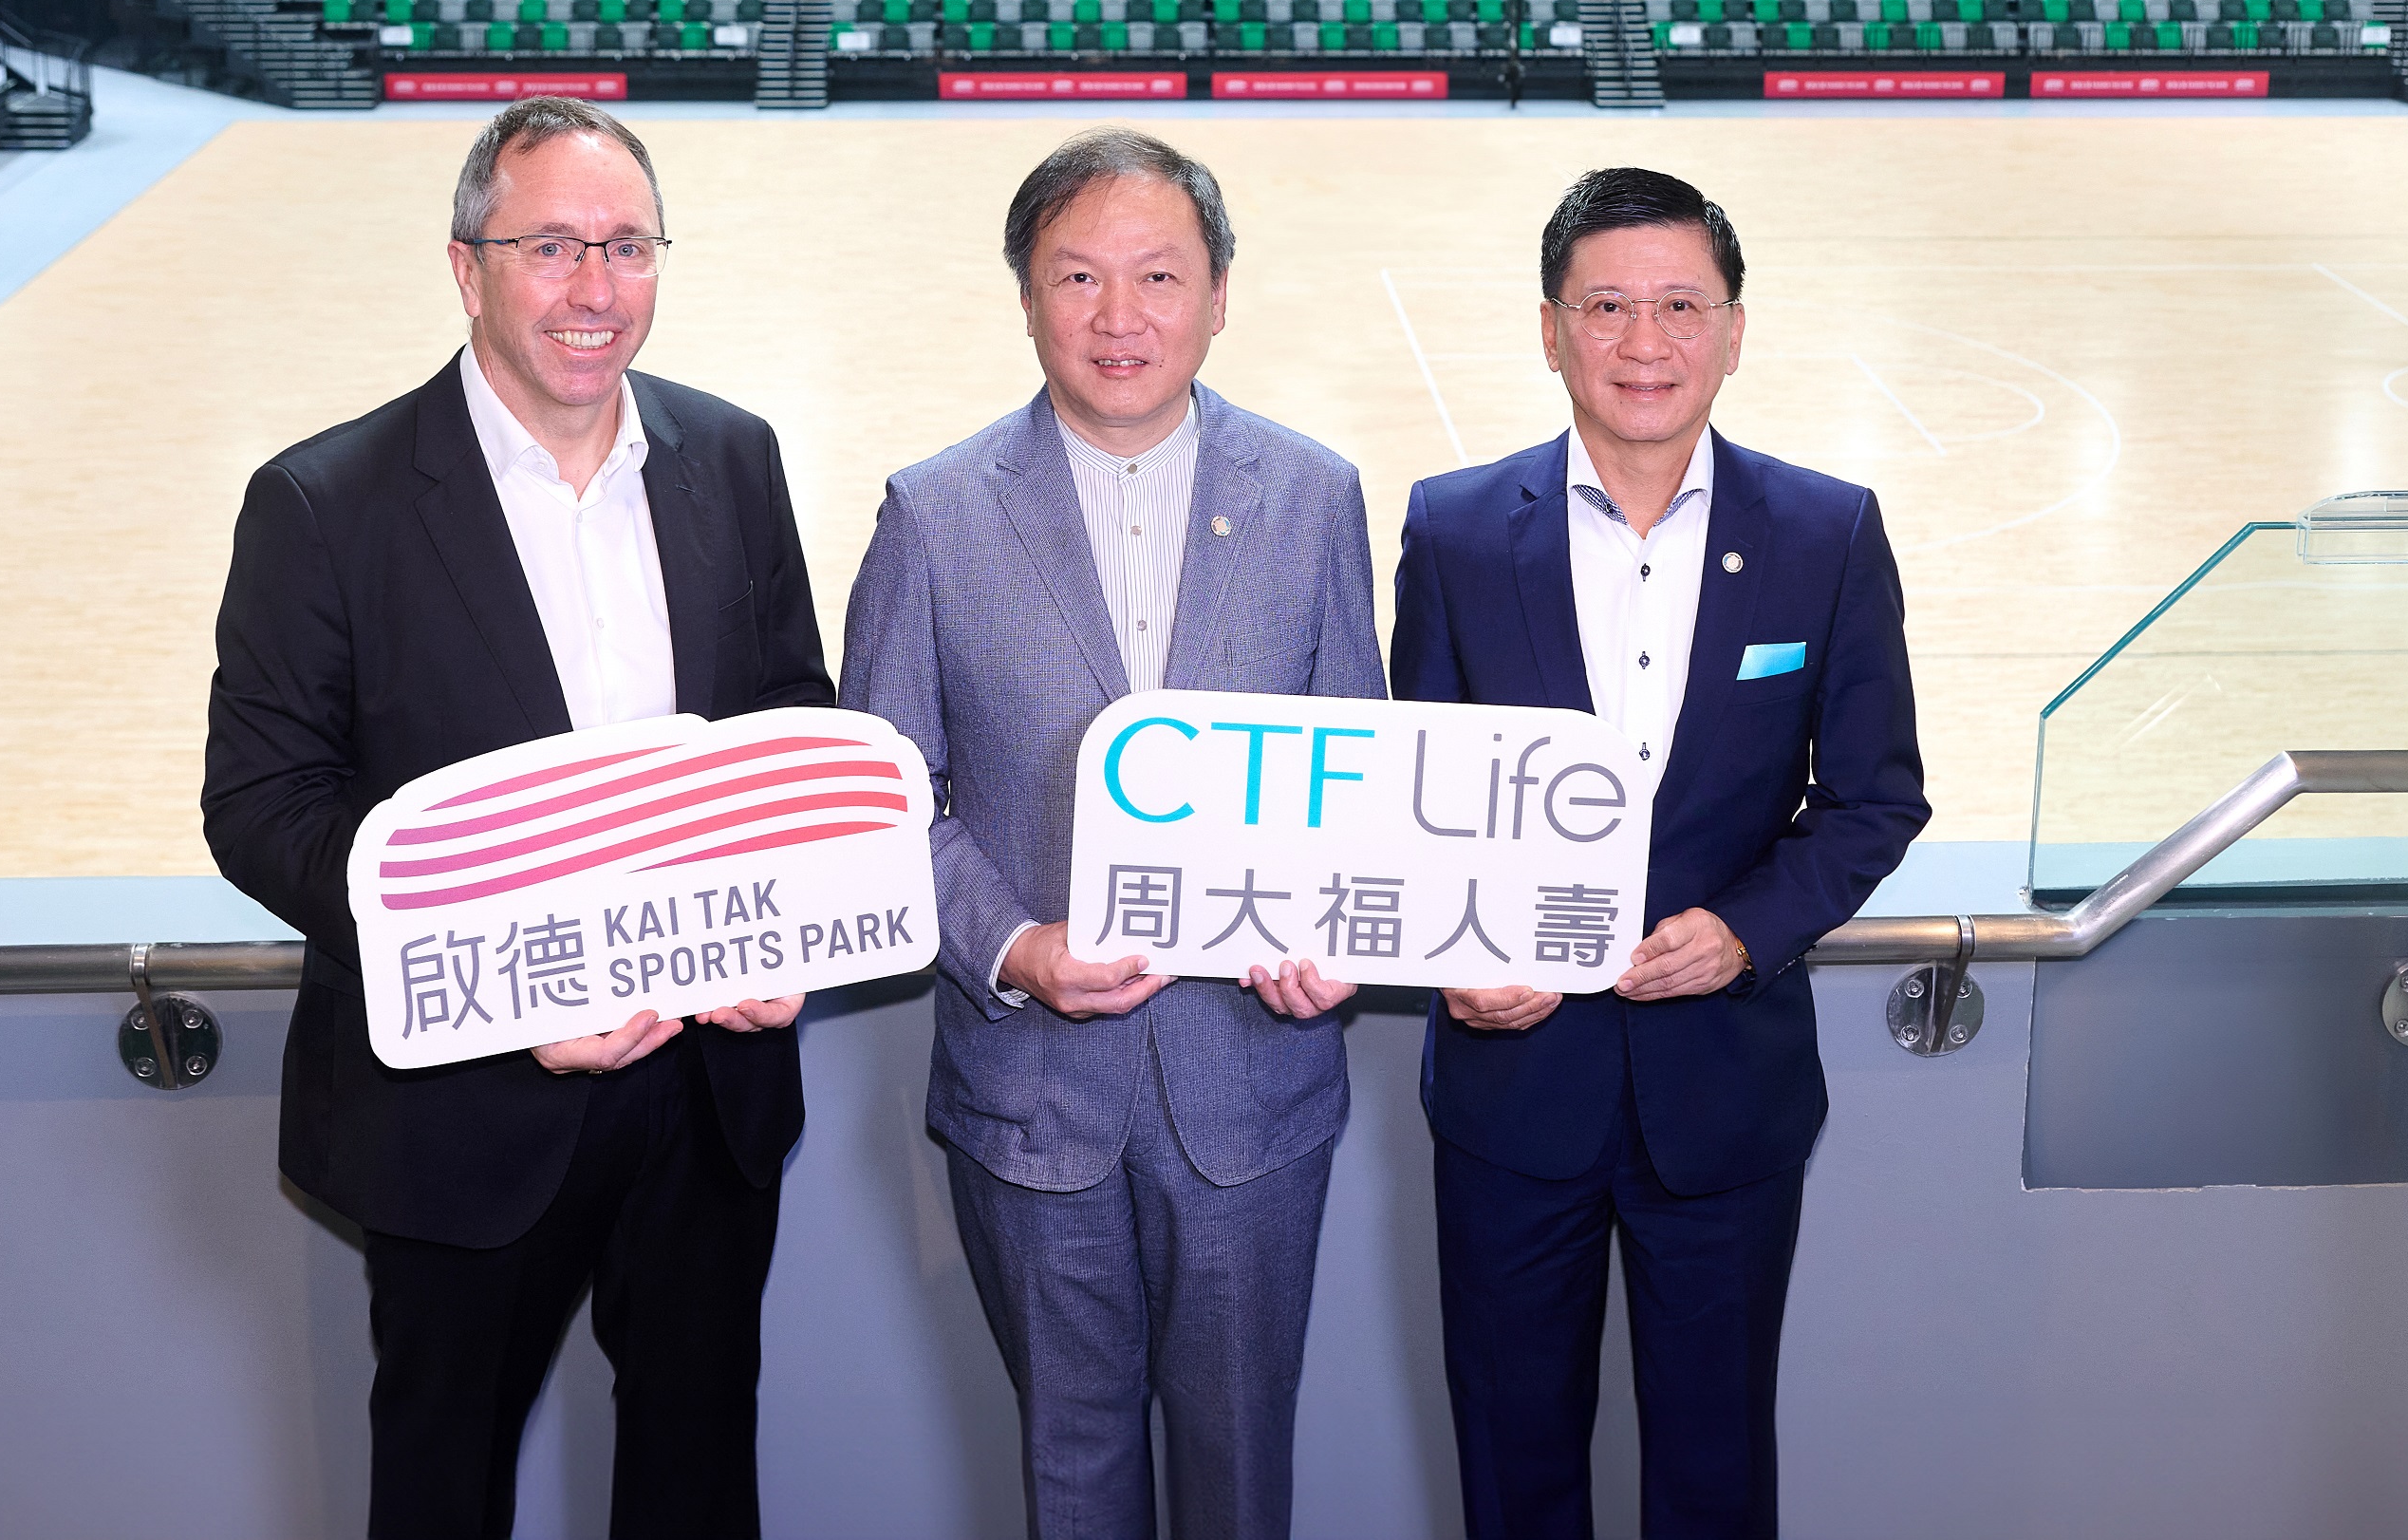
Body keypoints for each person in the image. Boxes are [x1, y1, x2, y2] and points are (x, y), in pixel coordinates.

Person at [203, 97, 831, 1540]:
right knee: (443, 1492)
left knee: (696, 1484)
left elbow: (789, 715)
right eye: (550, 245)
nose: (593, 287)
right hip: (464, 1107)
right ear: (464, 265)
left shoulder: (734, 456)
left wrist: (784, 922)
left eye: (626, 246)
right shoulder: (323, 502)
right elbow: (263, 803)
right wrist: (502, 976)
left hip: (704, 1094)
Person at [842, 127, 1385, 1540]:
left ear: (1220, 294)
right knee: (1071, 1478)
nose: (1119, 315)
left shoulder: (1315, 498)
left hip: (1252, 1090)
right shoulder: (933, 513)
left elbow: (1361, 772)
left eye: (1159, 274)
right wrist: (1013, 945)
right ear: (1027, 296)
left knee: (1240, 1479)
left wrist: (1336, 939)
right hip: (1032, 1100)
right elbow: (884, 796)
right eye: (1078, 275)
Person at [1389, 166, 1928, 1540]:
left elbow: (1873, 799)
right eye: (1608, 306)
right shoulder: (1454, 530)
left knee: (1714, 1480)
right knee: (1513, 1473)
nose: (1645, 341)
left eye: (1681, 306)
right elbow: (1414, 798)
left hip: (1724, 1098)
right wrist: (1457, 956)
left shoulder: (1827, 532)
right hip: (1514, 1096)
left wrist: (1747, 930)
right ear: (1551, 329)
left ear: (1734, 330)